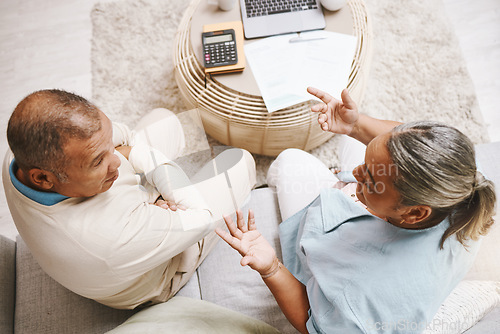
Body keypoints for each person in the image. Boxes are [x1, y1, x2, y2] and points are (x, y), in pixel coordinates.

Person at [216, 87, 496, 333]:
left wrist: (271, 267)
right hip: (385, 220)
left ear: (414, 213)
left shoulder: (359, 296)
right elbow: (401, 140)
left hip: (349, 258)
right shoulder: (464, 178)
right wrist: (354, 124)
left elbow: (309, 322)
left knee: (291, 162)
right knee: (354, 141)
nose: (355, 172)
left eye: (370, 179)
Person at [2, 89, 256, 309]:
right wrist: (156, 201)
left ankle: (147, 188)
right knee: (241, 161)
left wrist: (132, 157)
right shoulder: (108, 239)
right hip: (154, 276)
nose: (115, 161)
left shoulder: (18, 155)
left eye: (110, 149)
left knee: (166, 120)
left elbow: (124, 138)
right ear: (44, 179)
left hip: (122, 228)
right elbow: (202, 218)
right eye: (98, 161)